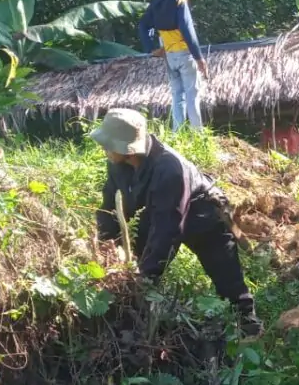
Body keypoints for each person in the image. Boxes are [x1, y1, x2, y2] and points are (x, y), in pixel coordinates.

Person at [91, 108, 263, 338]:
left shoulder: (169, 169)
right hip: (156, 212)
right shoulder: (117, 164)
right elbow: (110, 207)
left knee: (228, 280)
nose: (104, 149)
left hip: (202, 218)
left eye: (109, 144)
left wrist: (146, 276)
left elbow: (168, 231)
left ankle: (249, 329)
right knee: (136, 265)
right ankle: (132, 318)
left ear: (127, 148)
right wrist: (105, 248)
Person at [139, 0, 208, 131]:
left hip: (169, 56)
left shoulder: (157, 2)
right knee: (192, 94)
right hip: (185, 54)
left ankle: (177, 133)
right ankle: (197, 133)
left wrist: (151, 48)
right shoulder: (179, 1)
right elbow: (188, 31)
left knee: (177, 95)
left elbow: (143, 25)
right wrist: (199, 58)